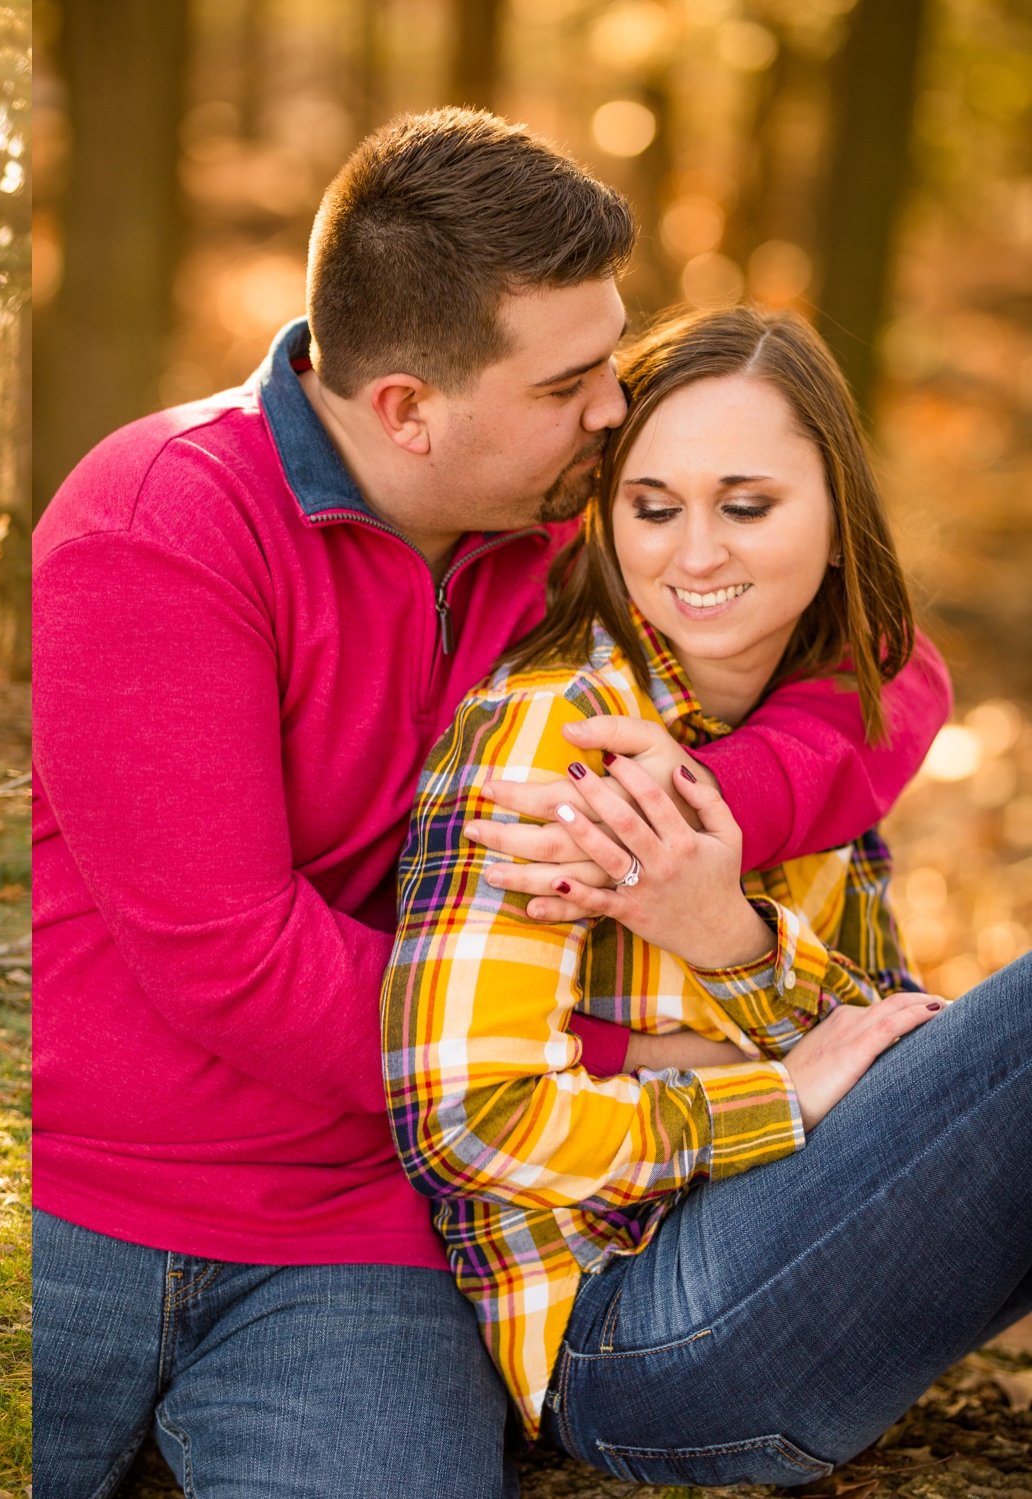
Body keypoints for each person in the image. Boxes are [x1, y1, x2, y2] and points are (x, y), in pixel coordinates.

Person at [30, 110, 953, 1497]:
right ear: (407, 405)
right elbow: (232, 956)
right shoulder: (161, 524)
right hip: (78, 1196)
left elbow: (886, 657)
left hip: (373, 1225)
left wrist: (692, 807)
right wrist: (602, 1050)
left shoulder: (573, 512)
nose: (612, 409)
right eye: (573, 379)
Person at [382, 303, 1031, 1487]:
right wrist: (769, 1093)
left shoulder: (819, 726)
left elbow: (879, 1053)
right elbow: (465, 1118)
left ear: (838, 521)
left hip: (783, 1261)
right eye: (652, 506)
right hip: (624, 1337)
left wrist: (725, 941)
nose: (693, 555)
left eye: (745, 505)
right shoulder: (550, 736)